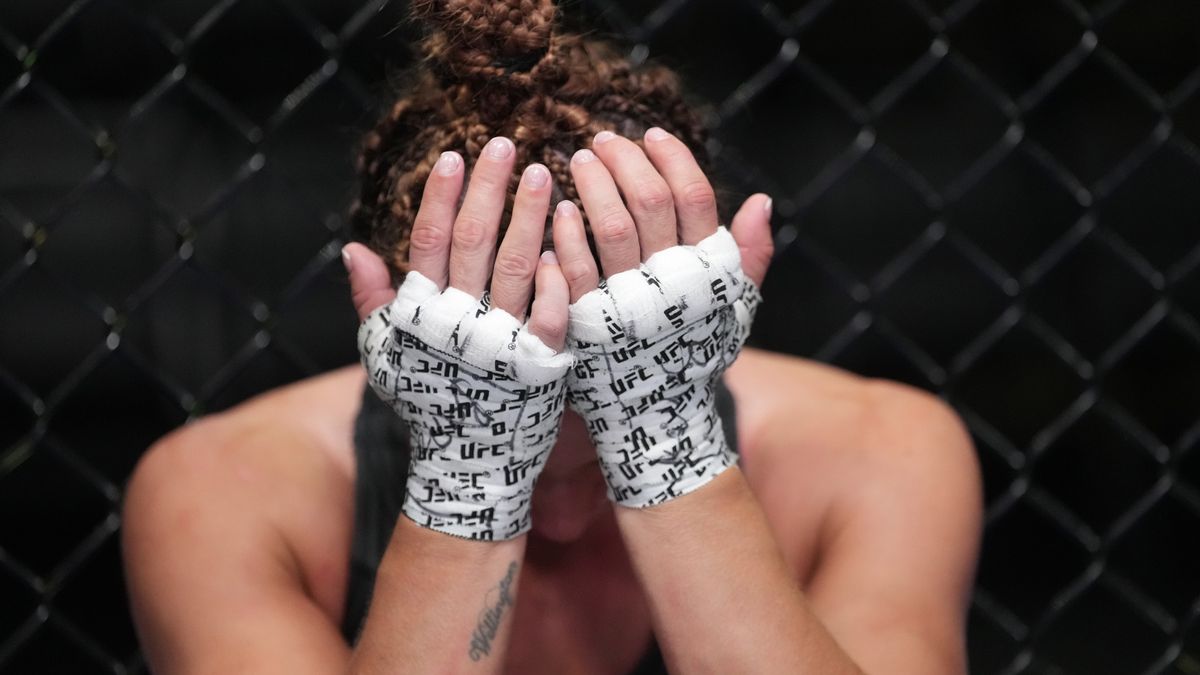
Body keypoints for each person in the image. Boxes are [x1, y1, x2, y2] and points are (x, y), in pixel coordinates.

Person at [120, 1, 983, 673]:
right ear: (391, 331)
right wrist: (470, 475)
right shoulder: (223, 492)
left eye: (601, 460)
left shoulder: (877, 452)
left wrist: (666, 441)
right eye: (530, 465)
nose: (563, 518)